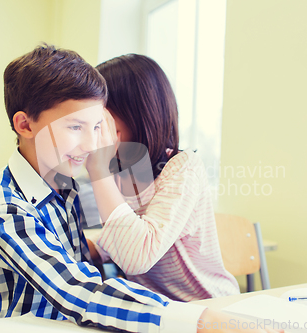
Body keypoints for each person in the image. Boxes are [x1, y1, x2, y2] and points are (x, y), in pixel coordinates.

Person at [0, 44, 281, 333]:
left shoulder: (64, 188)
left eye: (98, 126)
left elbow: (91, 262)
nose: (92, 143)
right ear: (25, 125)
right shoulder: (5, 208)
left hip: (187, 307)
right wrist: (200, 322)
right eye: (75, 127)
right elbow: (77, 290)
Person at [85, 54, 240, 302]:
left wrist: (98, 169)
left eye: (101, 112)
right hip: (159, 310)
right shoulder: (120, 172)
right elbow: (125, 232)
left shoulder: (182, 167)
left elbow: (137, 255)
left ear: (136, 111)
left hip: (208, 304)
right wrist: (93, 248)